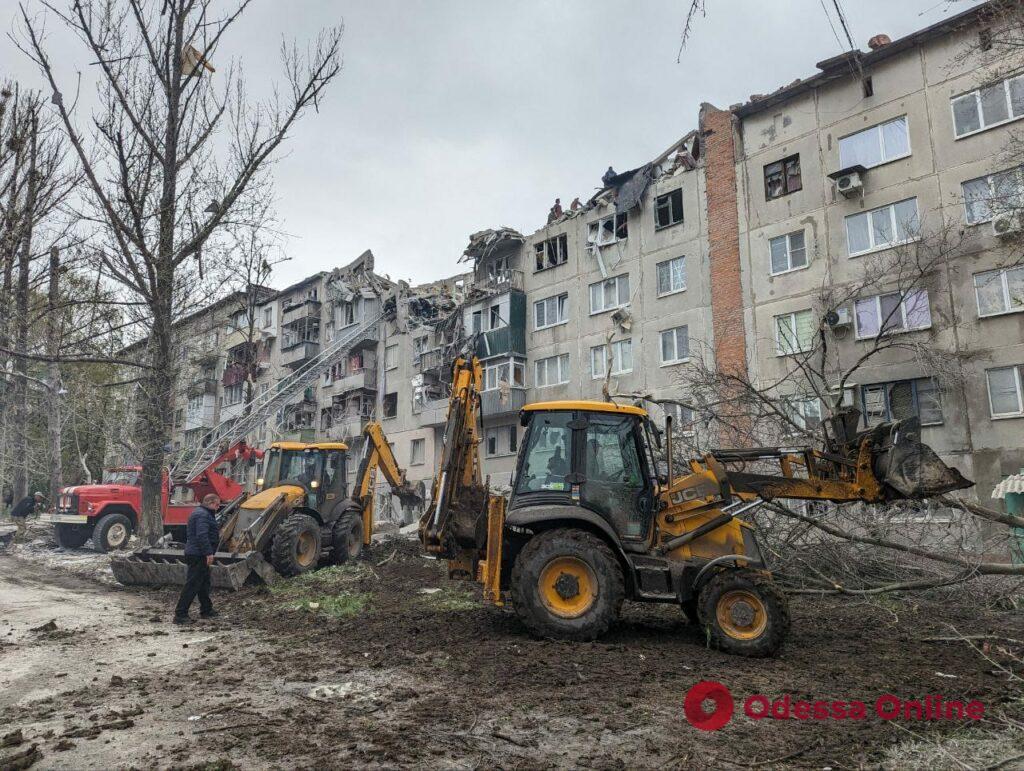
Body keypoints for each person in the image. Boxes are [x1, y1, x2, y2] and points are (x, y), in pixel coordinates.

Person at [173, 493, 221, 625]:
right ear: (211, 503)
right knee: (193, 584)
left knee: (204, 583)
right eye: (217, 505)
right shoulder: (203, 515)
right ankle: (180, 614)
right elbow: (202, 535)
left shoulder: (201, 513)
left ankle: (206, 609)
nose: (217, 508)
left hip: (197, 553)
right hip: (198, 555)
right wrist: (208, 553)